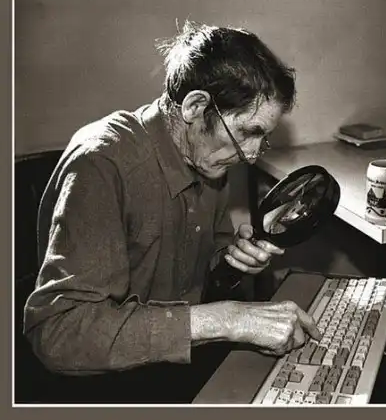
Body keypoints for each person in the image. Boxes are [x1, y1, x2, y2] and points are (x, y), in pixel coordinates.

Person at [22, 21, 321, 402]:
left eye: (262, 137)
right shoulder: (102, 164)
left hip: (176, 366)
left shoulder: (209, 156)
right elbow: (58, 333)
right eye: (247, 132)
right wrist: (226, 319)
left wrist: (231, 261)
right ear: (195, 106)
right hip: (104, 390)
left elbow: (196, 272)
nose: (249, 155)